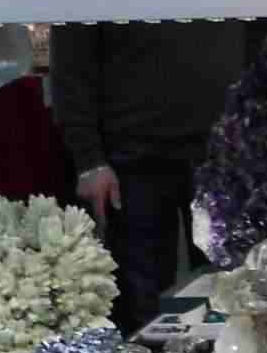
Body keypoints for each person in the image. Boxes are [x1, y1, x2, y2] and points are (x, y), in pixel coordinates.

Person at [49, 20, 255, 334]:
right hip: (132, 158)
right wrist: (89, 160)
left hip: (224, 151)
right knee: (141, 301)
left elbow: (257, 39)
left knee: (231, 291)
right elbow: (71, 65)